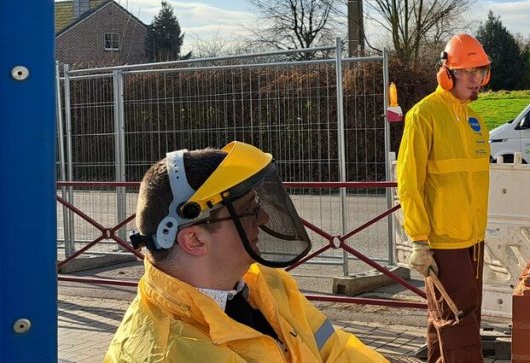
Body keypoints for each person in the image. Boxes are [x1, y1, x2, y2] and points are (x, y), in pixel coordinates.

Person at [105, 141, 386, 362]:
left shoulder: (265, 284)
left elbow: (336, 351)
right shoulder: (166, 353)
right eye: (248, 211)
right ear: (194, 240)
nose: (263, 218)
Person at [396, 33, 492, 363]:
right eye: (467, 72)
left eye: (480, 72)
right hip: (443, 241)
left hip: (473, 239)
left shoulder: (475, 121)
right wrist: (419, 241)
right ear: (446, 73)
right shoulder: (423, 115)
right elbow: (409, 183)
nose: (475, 80)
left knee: (451, 320)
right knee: (458, 320)